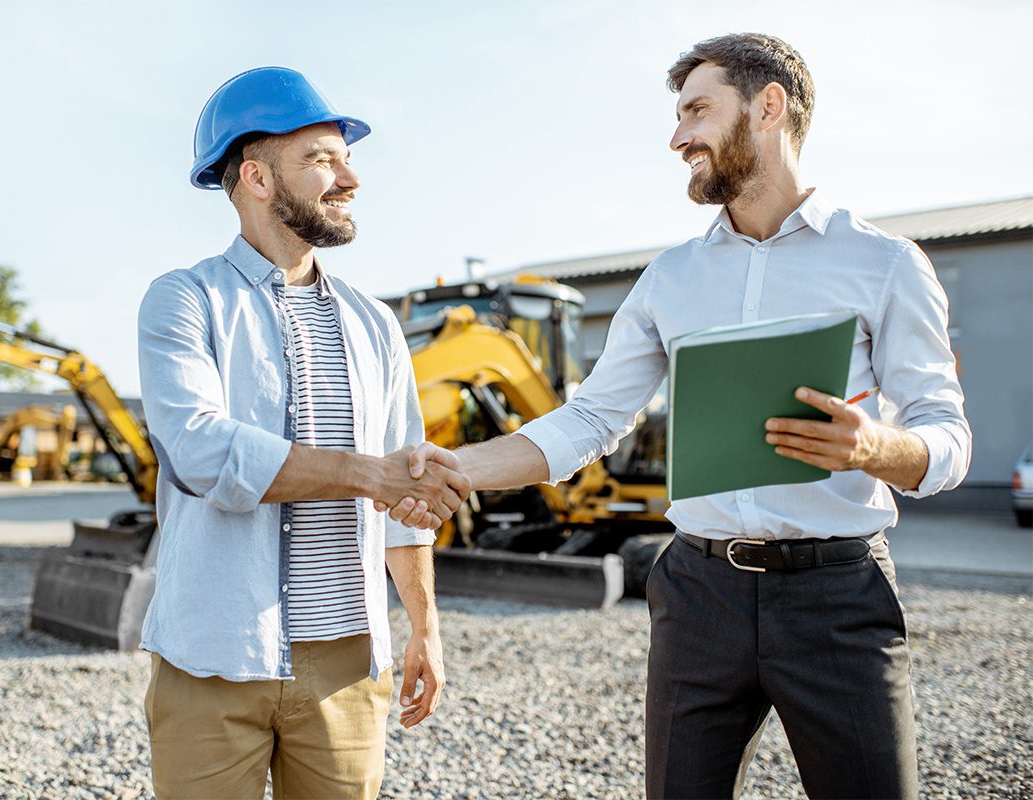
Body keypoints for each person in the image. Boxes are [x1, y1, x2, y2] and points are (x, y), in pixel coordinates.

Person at [384, 33, 971, 800]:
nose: (678, 137)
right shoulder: (672, 277)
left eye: (697, 110)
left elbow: (947, 435)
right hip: (700, 594)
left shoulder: (886, 264)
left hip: (837, 595)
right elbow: (590, 418)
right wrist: (460, 466)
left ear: (769, 107)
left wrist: (876, 447)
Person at [137, 67, 469, 800]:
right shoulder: (184, 301)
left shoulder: (375, 323)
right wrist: (367, 475)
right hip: (212, 659)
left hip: (346, 667)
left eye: (346, 157)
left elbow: (405, 485)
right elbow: (200, 450)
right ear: (256, 177)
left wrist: (425, 626)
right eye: (322, 157)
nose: (349, 176)